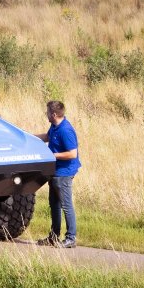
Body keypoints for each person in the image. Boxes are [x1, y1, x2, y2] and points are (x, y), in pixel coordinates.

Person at [36, 101, 81, 248]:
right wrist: (29, 137)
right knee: (54, 205)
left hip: (64, 173)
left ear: (54, 114)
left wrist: (52, 155)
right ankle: (54, 237)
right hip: (54, 172)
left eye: (47, 112)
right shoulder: (55, 126)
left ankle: (71, 238)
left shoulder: (65, 130)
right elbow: (47, 137)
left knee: (66, 206)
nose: (46, 114)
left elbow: (72, 153)